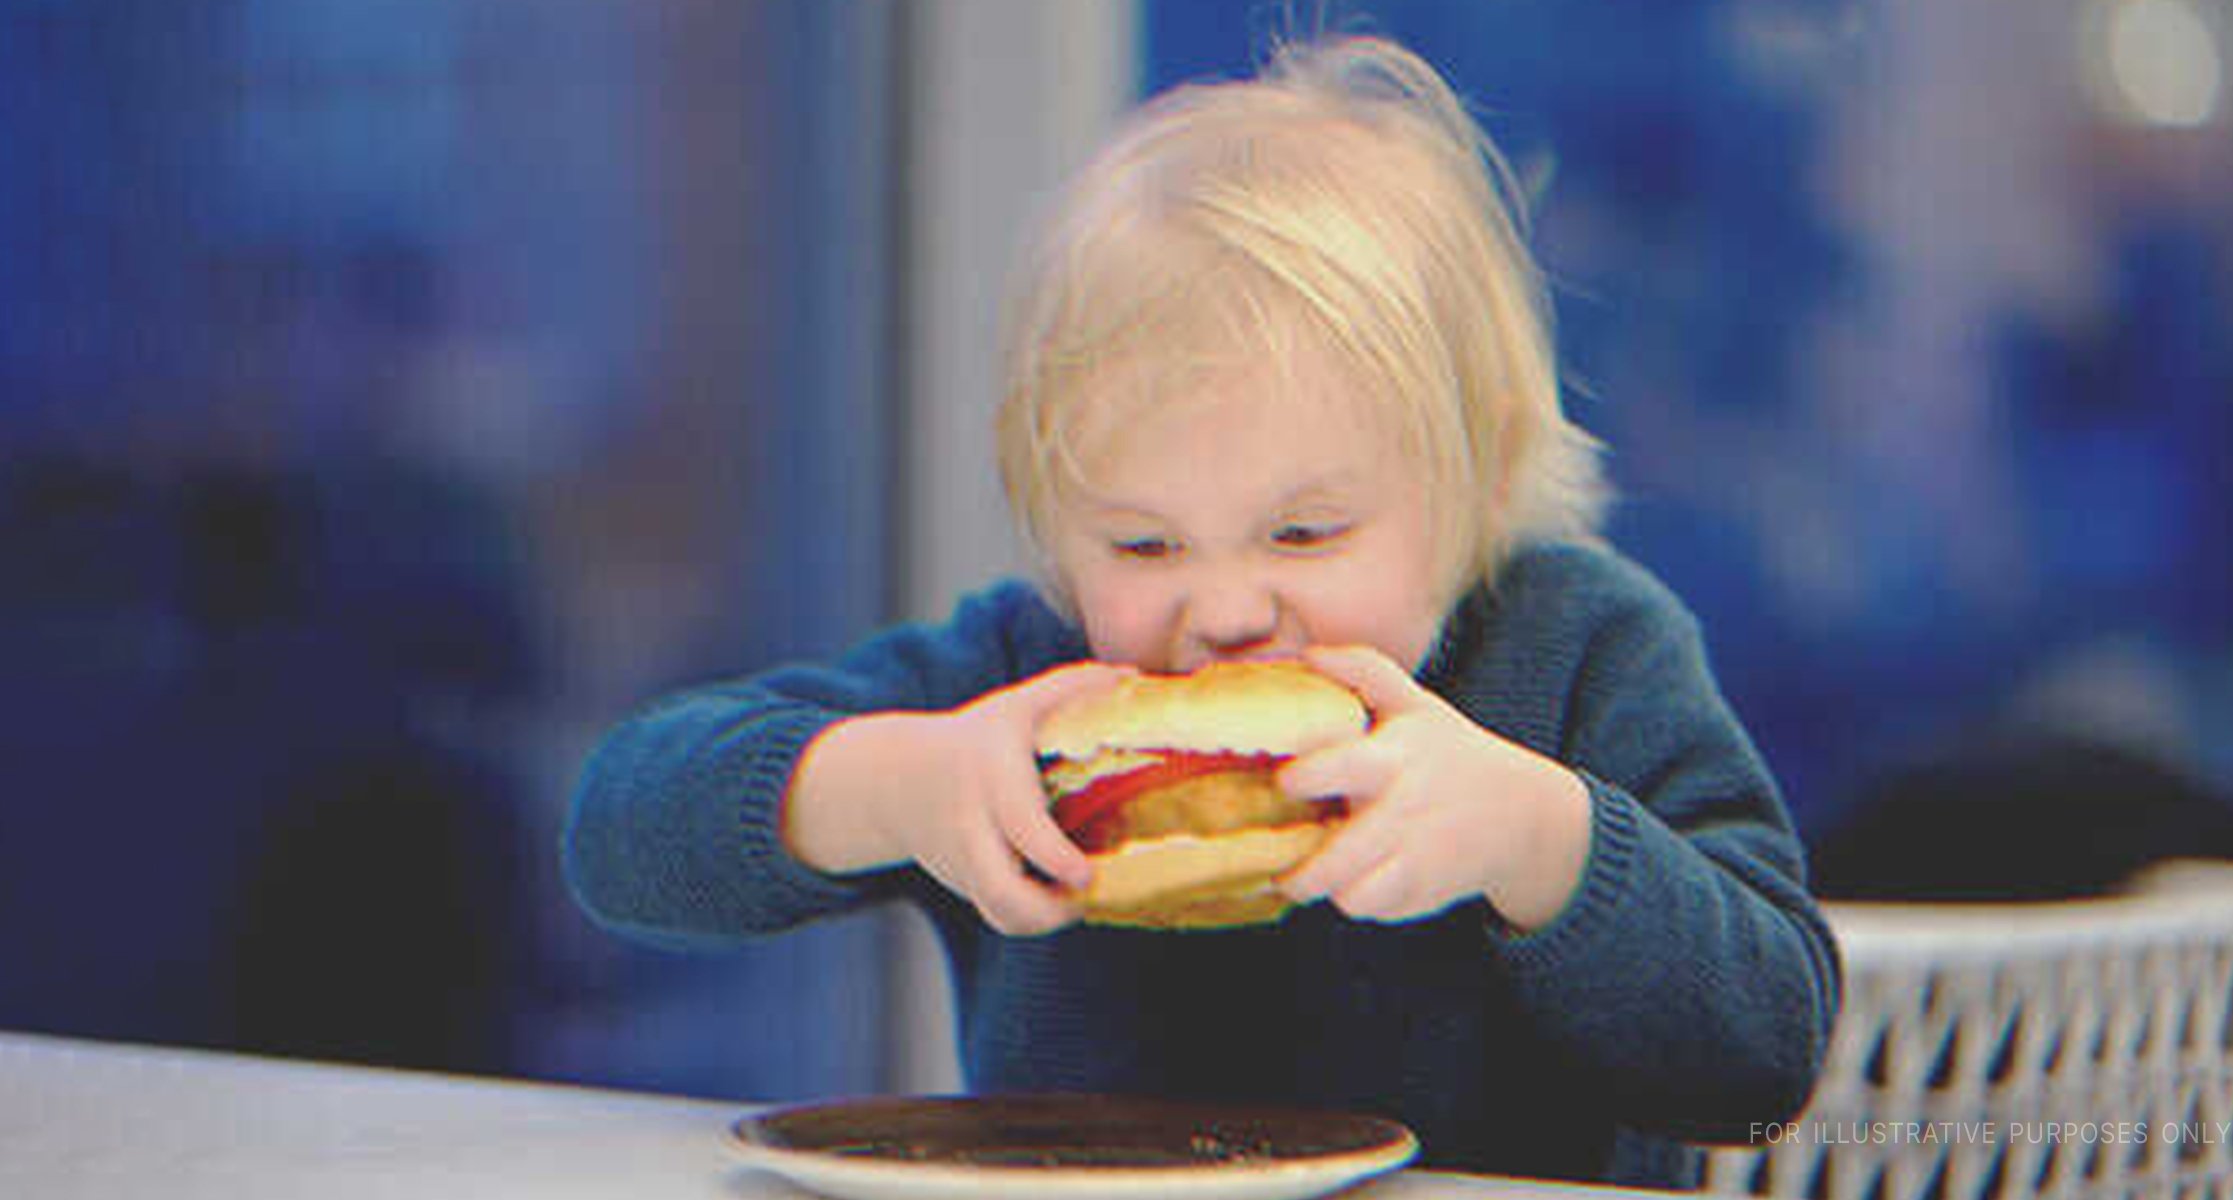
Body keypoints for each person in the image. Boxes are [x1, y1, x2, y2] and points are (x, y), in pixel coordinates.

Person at [564, 34, 1836, 1188]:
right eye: (1142, 541)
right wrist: (896, 786)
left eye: (1304, 532)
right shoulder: (1024, 684)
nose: (1225, 609)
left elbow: (1767, 1055)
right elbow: (619, 828)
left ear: (1477, 480)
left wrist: (1542, 844)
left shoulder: (1577, 652)